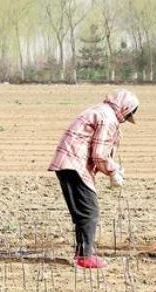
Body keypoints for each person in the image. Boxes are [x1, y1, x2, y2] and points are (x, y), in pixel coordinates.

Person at [48, 89, 139, 269]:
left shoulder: (100, 110)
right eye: (128, 114)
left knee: (83, 211)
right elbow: (99, 154)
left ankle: (82, 253)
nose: (126, 119)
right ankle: (84, 257)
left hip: (66, 162)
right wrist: (113, 172)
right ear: (125, 108)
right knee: (90, 211)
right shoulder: (108, 119)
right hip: (74, 163)